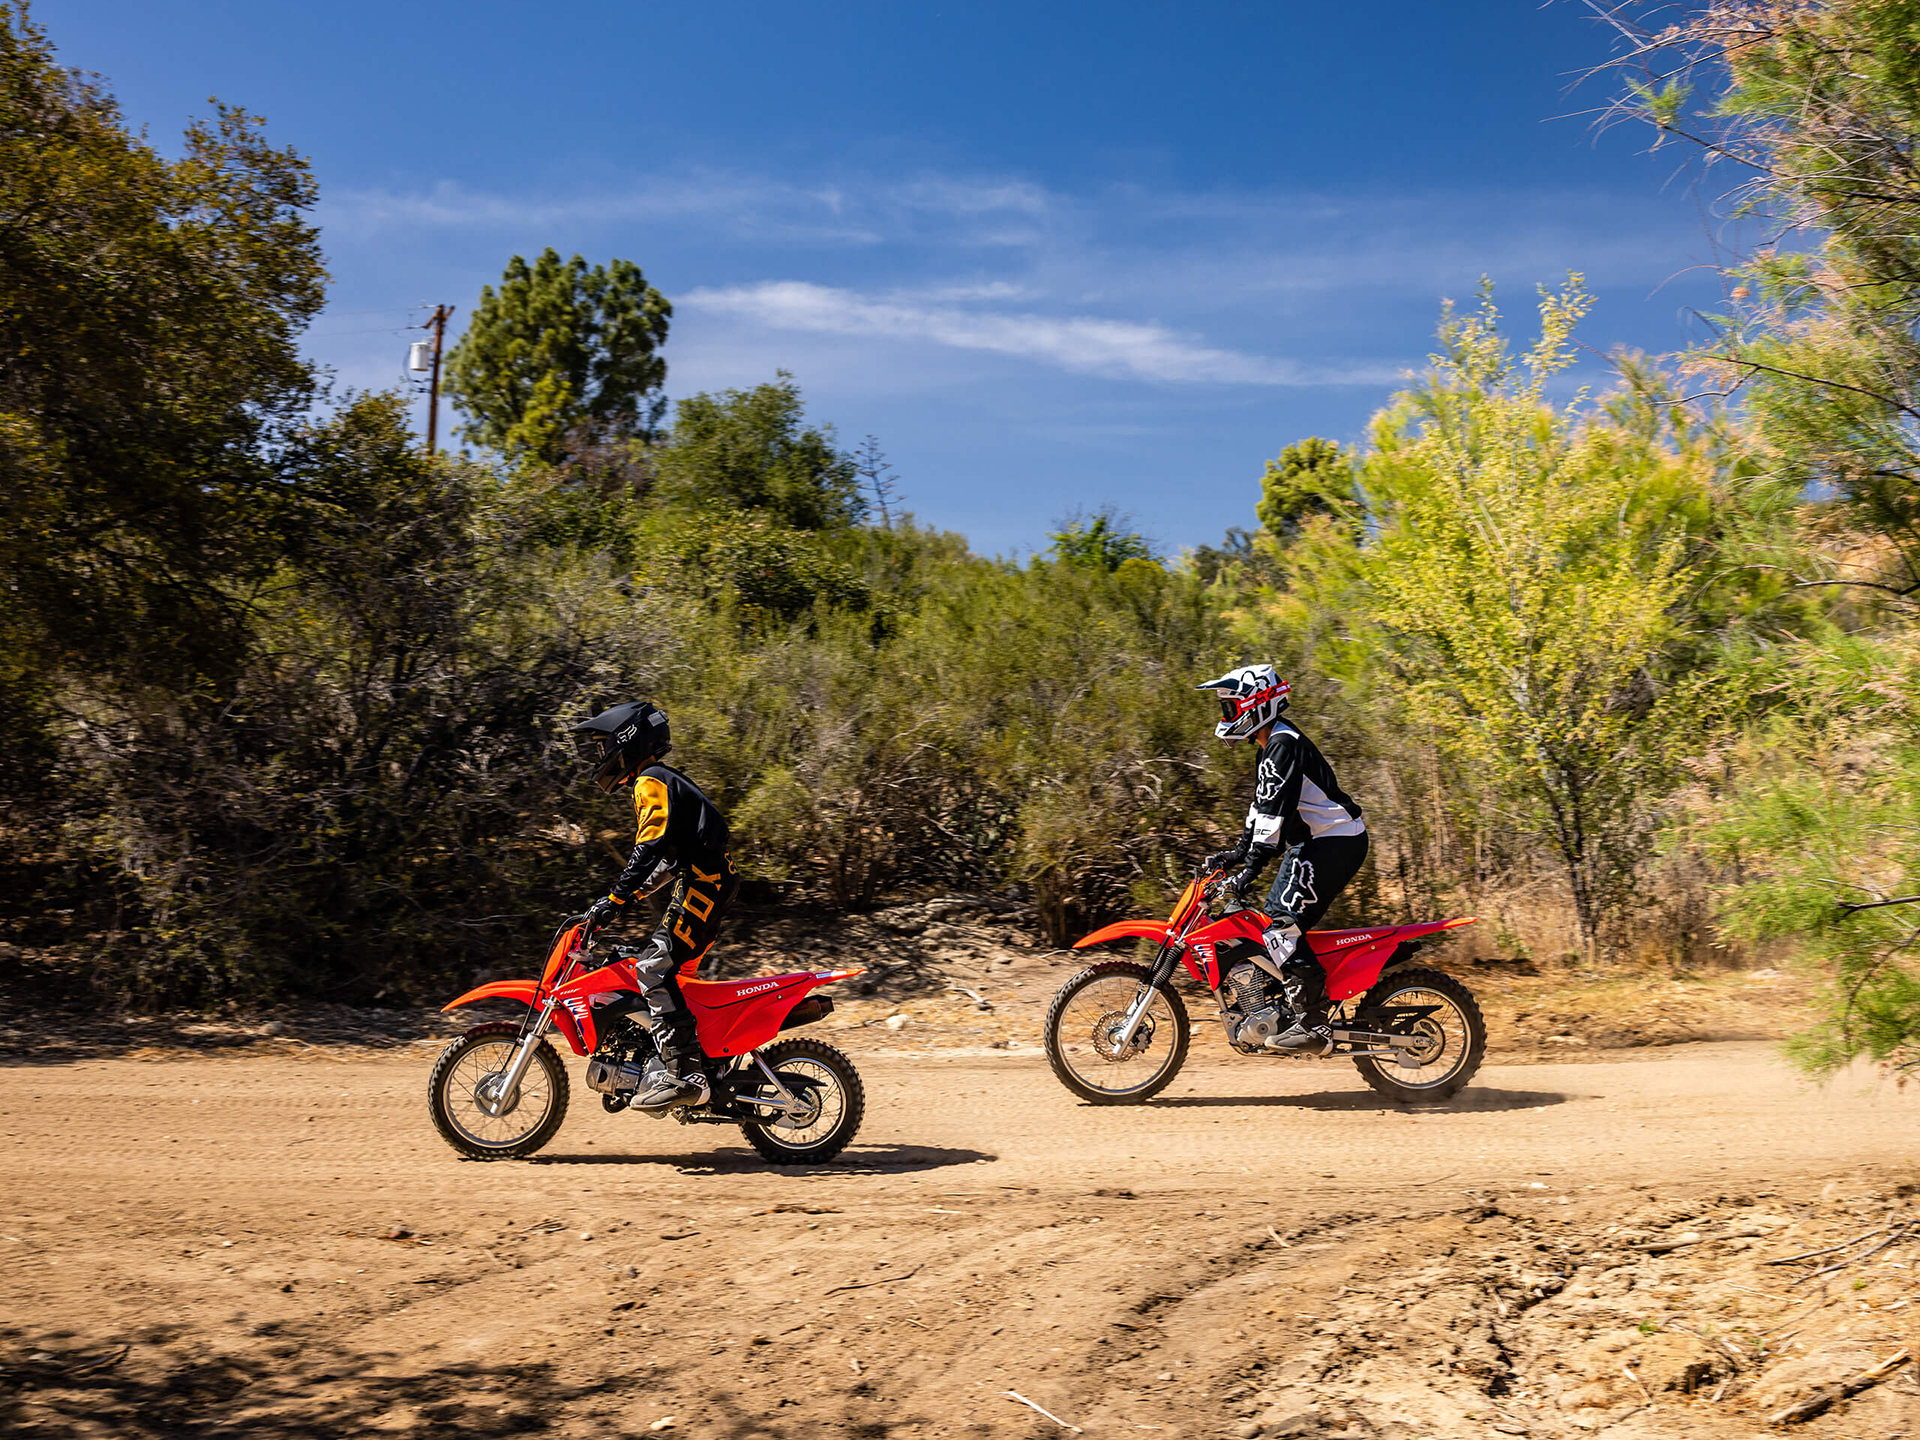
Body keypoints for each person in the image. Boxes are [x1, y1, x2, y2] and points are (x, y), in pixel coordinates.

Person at [570, 700, 740, 1110]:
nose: (601, 755)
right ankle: (698, 1057)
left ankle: (686, 1073)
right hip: (705, 881)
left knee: (651, 967)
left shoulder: (650, 780)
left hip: (705, 885)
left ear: (625, 740)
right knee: (653, 965)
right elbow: (667, 859)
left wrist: (613, 900)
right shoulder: (659, 778)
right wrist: (627, 899)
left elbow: (649, 849)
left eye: (603, 745)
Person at [1196, 664, 1368, 1054]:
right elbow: (1263, 810)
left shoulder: (1283, 745)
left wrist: (1251, 870)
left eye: (1231, 707)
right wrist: (1237, 854)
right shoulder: (1272, 744)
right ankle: (1290, 1004)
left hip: (1332, 842)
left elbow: (1276, 817)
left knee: (1279, 924)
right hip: (1316, 843)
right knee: (1271, 921)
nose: (1227, 716)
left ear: (1255, 705)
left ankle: (1313, 1023)